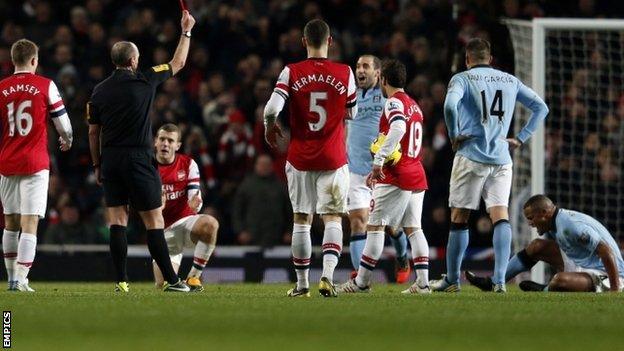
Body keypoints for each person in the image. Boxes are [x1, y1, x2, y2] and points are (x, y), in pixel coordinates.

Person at [87, 10, 196, 293]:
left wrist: (97, 164)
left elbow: (93, 131)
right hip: (138, 158)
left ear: (114, 61)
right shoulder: (146, 80)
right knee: (154, 220)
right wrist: (186, 31)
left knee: (117, 220)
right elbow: (178, 62)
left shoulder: (98, 91)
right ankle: (173, 281)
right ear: (134, 60)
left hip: (110, 159)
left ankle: (121, 281)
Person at [429, 38, 549, 293]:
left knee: (460, 218)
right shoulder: (509, 80)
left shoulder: (462, 79)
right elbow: (541, 107)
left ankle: (452, 280)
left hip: (471, 156)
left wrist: (453, 134)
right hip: (502, 159)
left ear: (467, 59)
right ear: (490, 59)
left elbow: (450, 105)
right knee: (500, 215)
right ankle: (499, 280)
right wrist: (521, 137)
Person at [264, 19, 357, 297]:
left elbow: (271, 109)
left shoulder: (291, 71)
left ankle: (303, 284)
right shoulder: (345, 72)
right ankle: (327, 276)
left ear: (303, 42)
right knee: (332, 219)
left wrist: (270, 126)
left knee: (302, 220)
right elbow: (351, 115)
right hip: (333, 157)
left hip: (301, 157)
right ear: (330, 42)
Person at [337, 59, 431, 294]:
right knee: (414, 228)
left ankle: (361, 282)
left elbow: (398, 128)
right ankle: (423, 283)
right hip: (416, 172)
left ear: (383, 80)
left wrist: (378, 161)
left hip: (397, 175)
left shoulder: (392, 103)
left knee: (375, 226)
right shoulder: (414, 105)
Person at [0, 38, 73, 292]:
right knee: (29, 222)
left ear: (12, 61)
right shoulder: (45, 85)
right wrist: (67, 139)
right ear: (34, 61)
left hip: (7, 161)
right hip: (35, 162)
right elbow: (63, 122)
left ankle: (10, 279)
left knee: (10, 221)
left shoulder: (1, 88)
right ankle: (21, 279)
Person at [466, 195, 624, 292]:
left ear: (544, 213)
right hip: (582, 262)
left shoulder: (570, 226)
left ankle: (545, 290)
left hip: (608, 274)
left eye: (531, 218)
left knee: (559, 281)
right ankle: (494, 282)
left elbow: (606, 251)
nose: (530, 223)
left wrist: (615, 288)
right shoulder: (556, 222)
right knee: (537, 246)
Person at [347, 54, 410, 283]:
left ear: (378, 73)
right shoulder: (350, 94)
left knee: (390, 227)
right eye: (357, 66)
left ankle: (402, 257)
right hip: (355, 169)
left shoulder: (387, 97)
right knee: (357, 222)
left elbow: (401, 126)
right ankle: (359, 277)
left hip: (382, 169)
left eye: (365, 66)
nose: (360, 70)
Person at [152, 124, 218, 292]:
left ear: (177, 145)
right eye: (162, 139)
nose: (165, 144)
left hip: (185, 222)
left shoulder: (188, 163)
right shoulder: (147, 166)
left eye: (170, 140)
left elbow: (195, 197)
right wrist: (155, 206)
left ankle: (193, 277)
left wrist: (196, 205)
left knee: (210, 223)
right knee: (162, 286)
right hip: (163, 232)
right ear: (155, 142)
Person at [232, 154, 291, 248]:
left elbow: (290, 212)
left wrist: (289, 231)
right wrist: (240, 231)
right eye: (262, 164)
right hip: (251, 237)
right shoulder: (246, 186)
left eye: (267, 164)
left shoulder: (281, 187)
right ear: (256, 166)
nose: (264, 167)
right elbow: (237, 211)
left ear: (272, 166)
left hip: (277, 237)